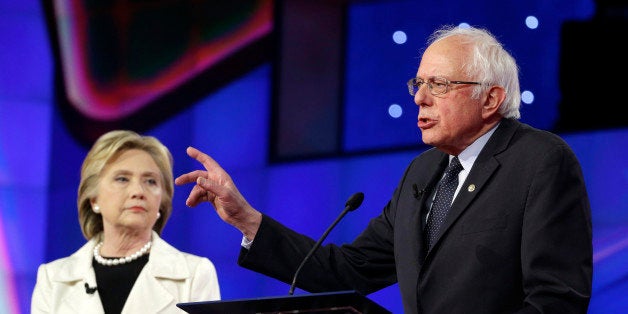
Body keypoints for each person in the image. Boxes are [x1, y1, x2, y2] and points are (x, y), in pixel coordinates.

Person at [174, 25, 593, 313]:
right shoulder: (423, 172)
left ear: (490, 99)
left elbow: (556, 300)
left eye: (439, 85)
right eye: (418, 84)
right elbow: (349, 270)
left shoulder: (539, 161)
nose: (420, 99)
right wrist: (247, 220)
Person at [31, 130, 220, 314]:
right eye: (122, 179)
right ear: (94, 199)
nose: (138, 191)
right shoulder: (53, 278)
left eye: (150, 181)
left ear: (162, 201)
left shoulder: (195, 274)